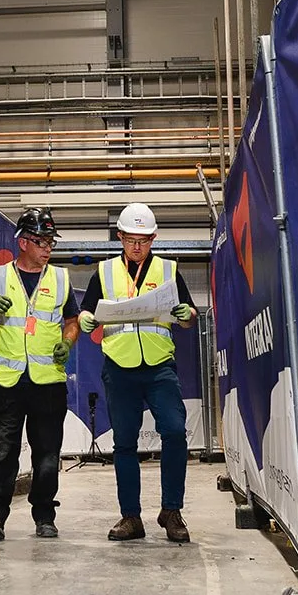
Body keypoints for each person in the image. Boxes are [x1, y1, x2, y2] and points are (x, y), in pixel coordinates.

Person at [76, 202, 197, 542]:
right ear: (120, 237)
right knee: (124, 442)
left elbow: (189, 317)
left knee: (174, 432)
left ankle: (171, 511)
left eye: (143, 240)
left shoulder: (169, 270)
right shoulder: (104, 272)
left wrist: (187, 315)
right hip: (120, 368)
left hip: (159, 367)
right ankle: (131, 517)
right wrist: (85, 320)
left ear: (153, 238)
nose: (137, 247)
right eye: (131, 240)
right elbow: (87, 312)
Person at [0, 207, 80, 540]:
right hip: (9, 381)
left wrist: (67, 342)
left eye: (51, 242)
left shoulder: (60, 279)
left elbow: (72, 321)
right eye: (42, 242)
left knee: (47, 454)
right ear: (23, 242)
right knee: (4, 450)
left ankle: (44, 515)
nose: (47, 248)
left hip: (48, 382)